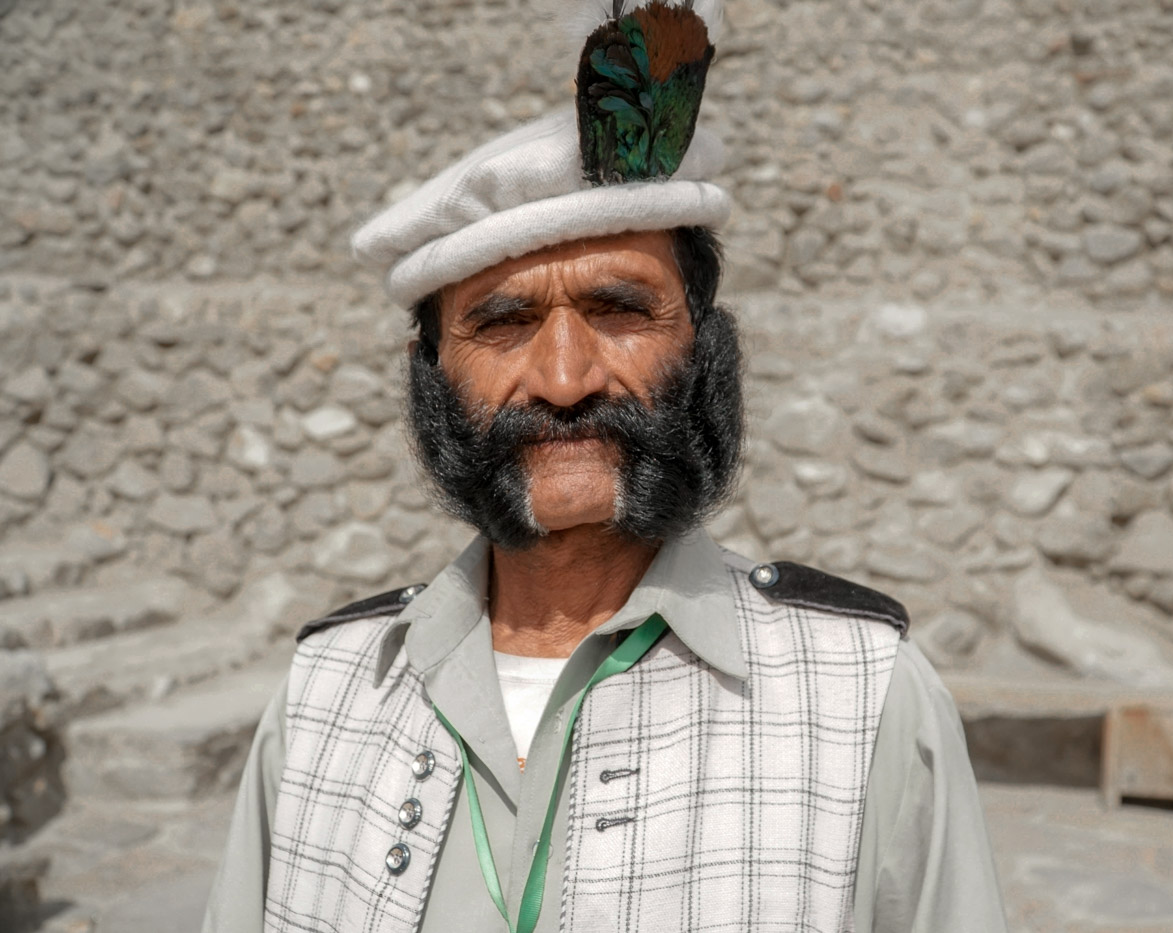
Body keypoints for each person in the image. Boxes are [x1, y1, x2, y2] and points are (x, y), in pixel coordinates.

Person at [202, 2, 1007, 930]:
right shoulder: (324, 700)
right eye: (502, 324)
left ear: (701, 350)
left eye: (620, 309)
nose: (564, 379)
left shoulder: (867, 703)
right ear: (433, 379)